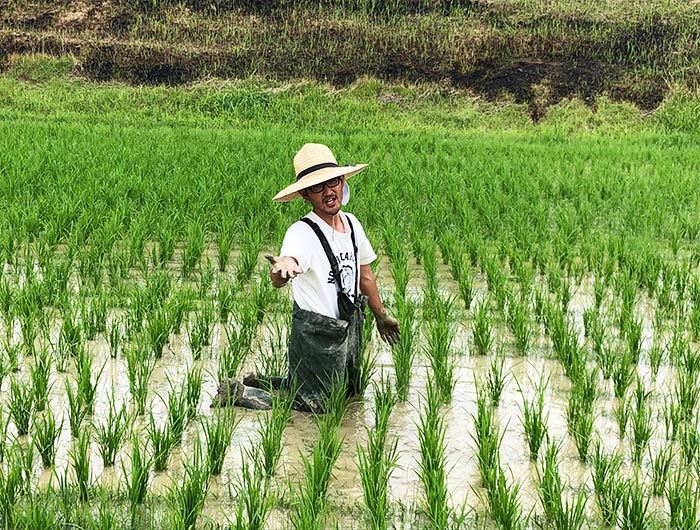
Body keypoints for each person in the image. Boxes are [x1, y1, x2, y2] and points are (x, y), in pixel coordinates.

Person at [213, 143, 400, 412]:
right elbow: (288, 264)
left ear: (342, 180)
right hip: (316, 334)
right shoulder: (302, 232)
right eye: (317, 187)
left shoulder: (352, 225)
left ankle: (262, 381)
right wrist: (281, 271)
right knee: (315, 408)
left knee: (347, 395)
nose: (328, 192)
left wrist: (381, 315)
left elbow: (366, 277)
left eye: (332, 182)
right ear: (304, 194)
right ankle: (239, 392)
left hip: (349, 329)